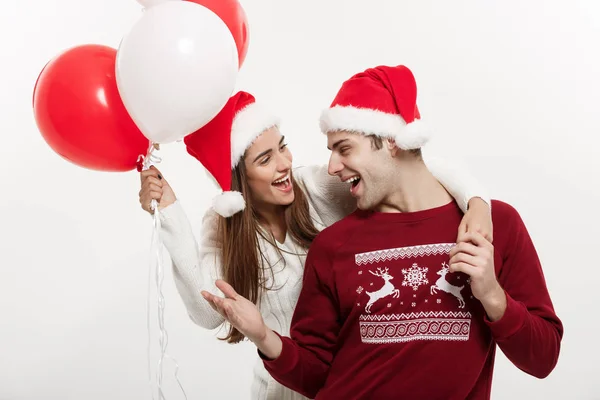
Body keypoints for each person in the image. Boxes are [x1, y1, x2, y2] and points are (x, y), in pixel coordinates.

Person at [201, 66, 564, 400]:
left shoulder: (492, 226)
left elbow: (543, 358)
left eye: (344, 149)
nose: (332, 166)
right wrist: (263, 336)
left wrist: (494, 298)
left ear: (391, 141)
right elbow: (317, 376)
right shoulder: (333, 246)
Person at [139, 90, 494, 400]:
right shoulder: (223, 226)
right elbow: (206, 312)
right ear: (238, 180)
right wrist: (170, 213)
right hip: (281, 389)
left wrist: (476, 200)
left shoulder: (316, 186)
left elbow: (410, 171)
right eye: (265, 160)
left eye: (283, 147)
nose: (284, 165)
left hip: (353, 384)